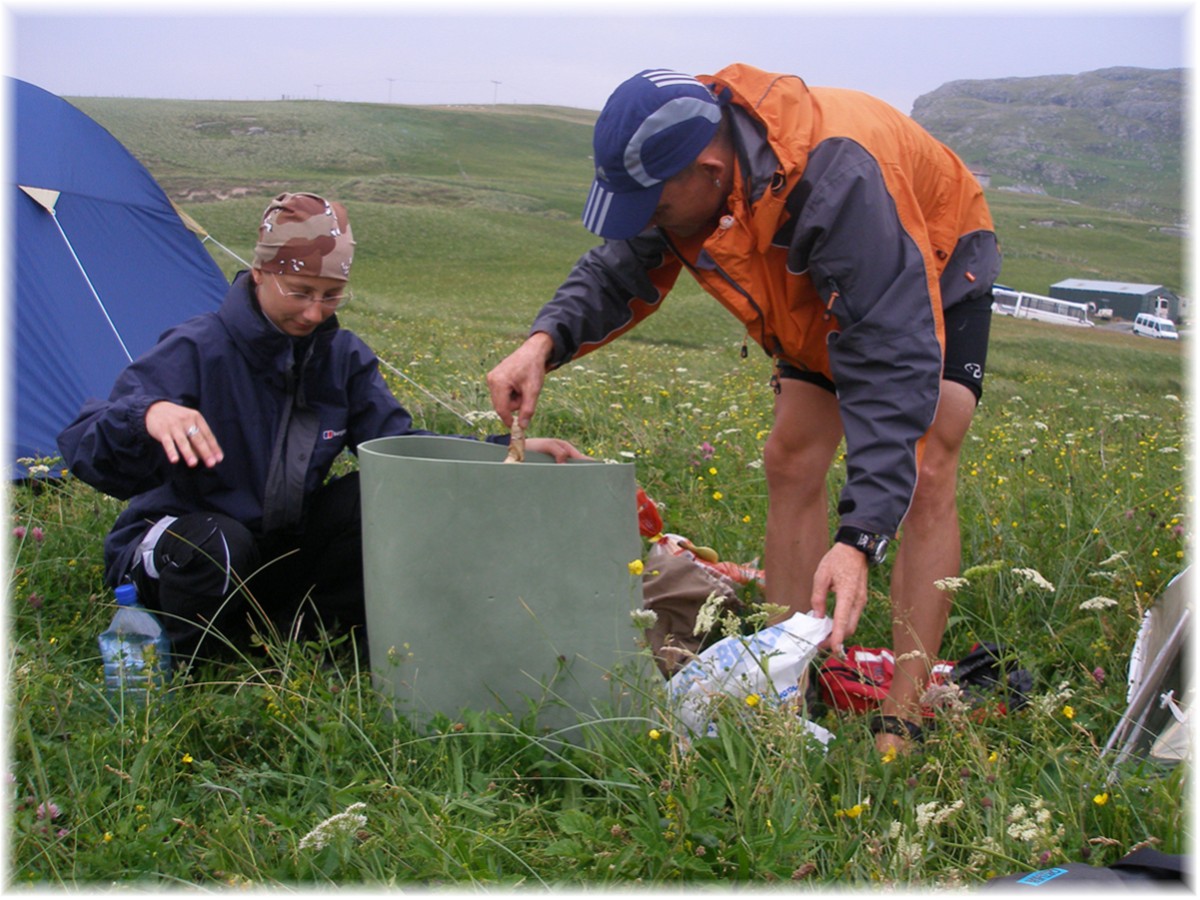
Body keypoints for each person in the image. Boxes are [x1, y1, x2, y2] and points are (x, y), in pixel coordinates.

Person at [487, 65, 1002, 752]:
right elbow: (619, 270)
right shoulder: (686, 174)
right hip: (807, 283)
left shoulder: (838, 180)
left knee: (927, 460)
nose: (650, 222)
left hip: (929, 258)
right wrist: (540, 345)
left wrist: (859, 540)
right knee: (790, 458)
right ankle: (785, 681)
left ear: (707, 167)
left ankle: (902, 715)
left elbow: (889, 358)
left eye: (656, 207)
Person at [59, 191, 582, 662]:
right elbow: (87, 448)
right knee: (220, 542)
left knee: (378, 497)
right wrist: (148, 414)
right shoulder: (199, 348)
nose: (314, 312)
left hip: (278, 552)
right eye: (300, 290)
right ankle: (209, 666)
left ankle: (298, 643)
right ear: (261, 271)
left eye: (331, 294)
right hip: (182, 548)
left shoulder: (341, 359)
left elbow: (398, 450)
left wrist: (503, 452)